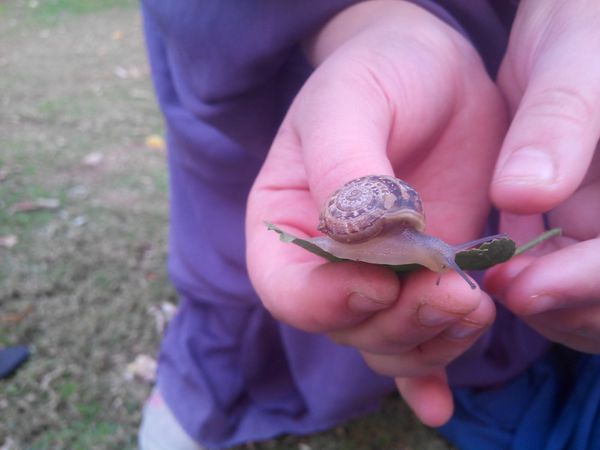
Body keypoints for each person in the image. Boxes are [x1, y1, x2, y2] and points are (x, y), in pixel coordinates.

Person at [138, 1, 600, 449]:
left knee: (417, 303)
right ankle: (210, 383)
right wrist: (365, 20)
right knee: (274, 276)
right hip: (288, 62)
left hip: (492, 67)